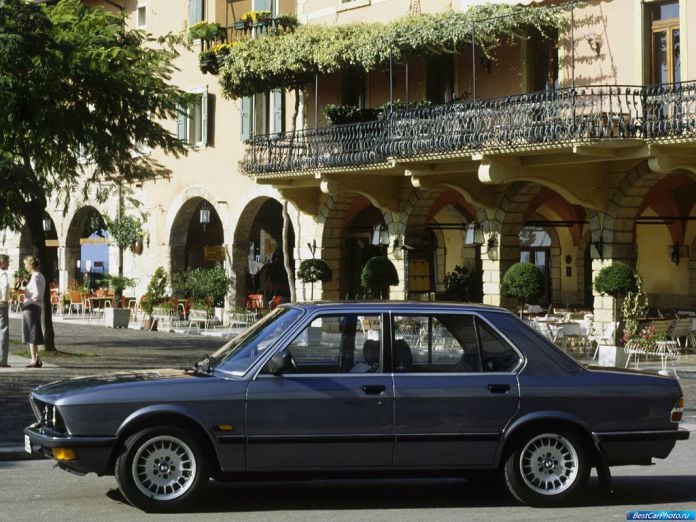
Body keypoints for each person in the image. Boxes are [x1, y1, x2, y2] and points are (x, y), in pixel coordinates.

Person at [21, 255, 45, 368]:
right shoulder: (40, 276)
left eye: (26, 264)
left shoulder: (35, 277)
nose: (25, 266)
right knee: (33, 332)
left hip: (31, 307)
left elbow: (36, 295)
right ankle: (37, 357)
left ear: (31, 265)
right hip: (36, 307)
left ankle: (33, 359)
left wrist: (26, 302)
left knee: (31, 333)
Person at [0, 254, 10, 368]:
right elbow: (6, 285)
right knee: (3, 330)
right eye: (7, 262)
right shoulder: (3, 274)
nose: (9, 264)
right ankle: (2, 359)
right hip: (1, 304)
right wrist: (4, 298)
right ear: (2, 264)